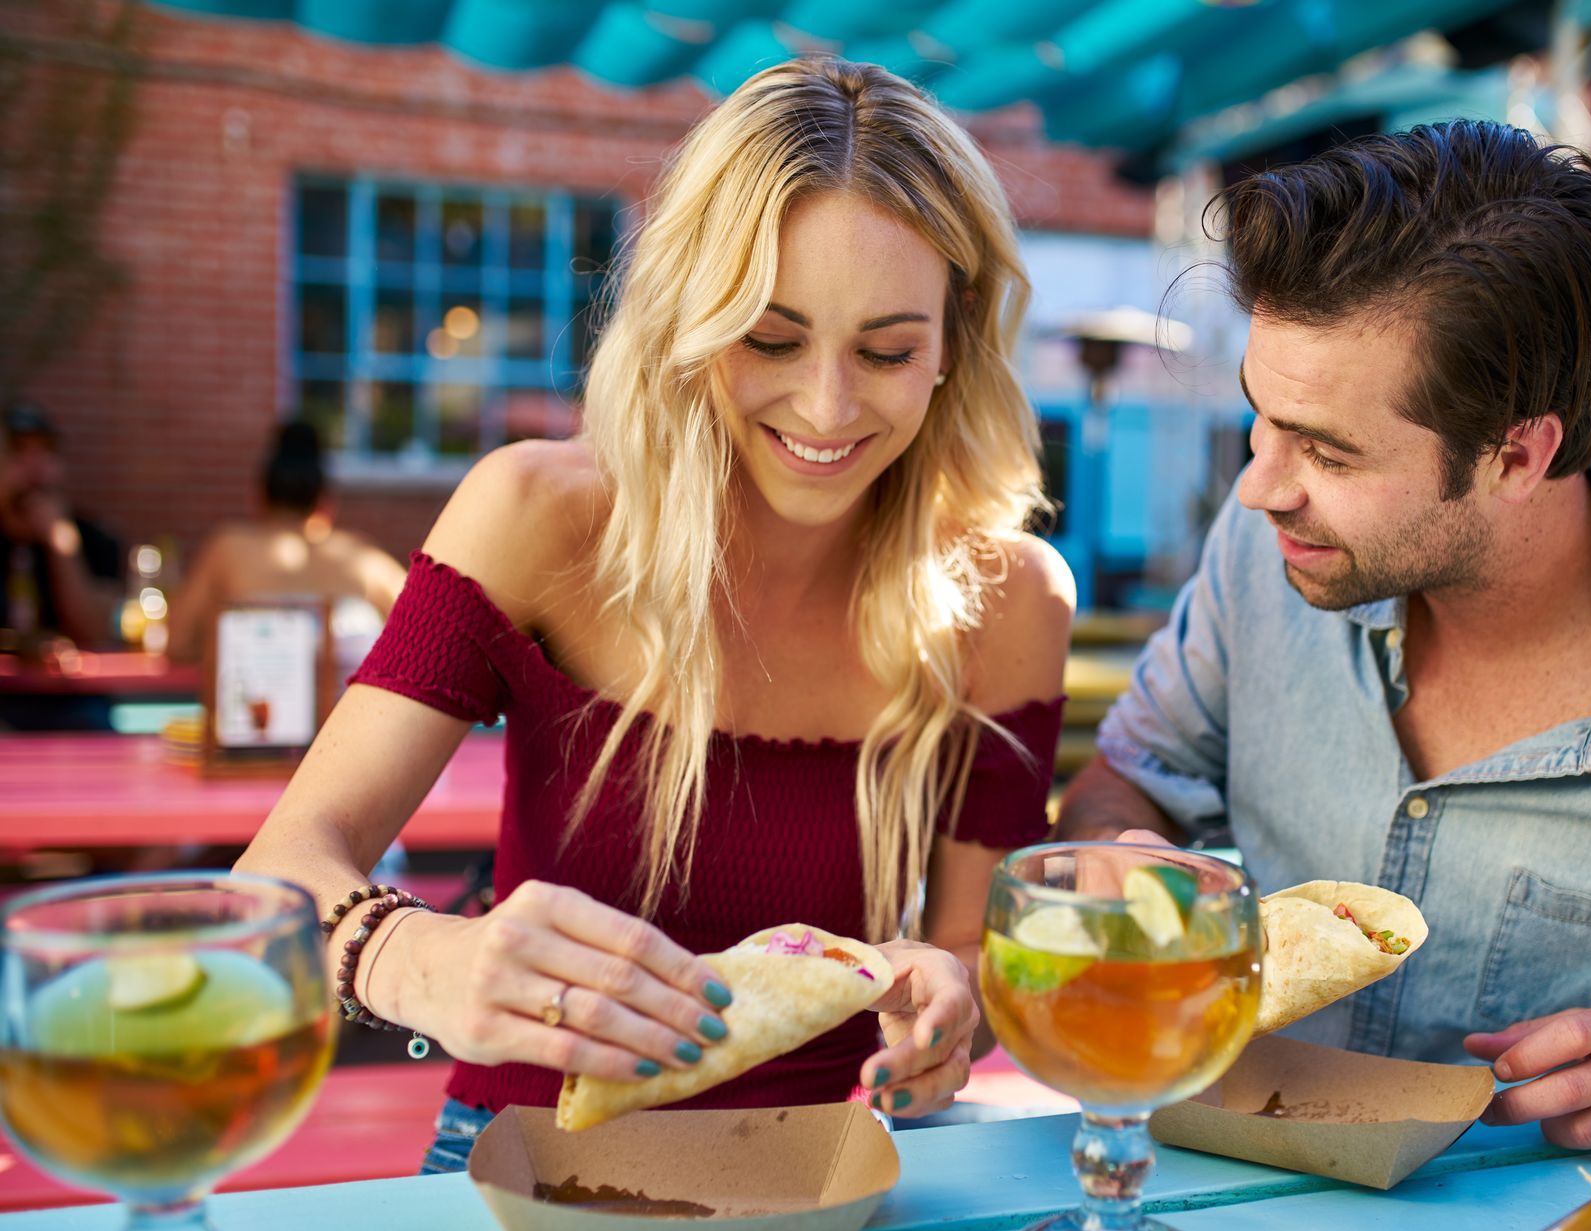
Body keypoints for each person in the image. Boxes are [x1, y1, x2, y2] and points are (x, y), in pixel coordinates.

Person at [235, 56, 1073, 1172]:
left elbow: (970, 952)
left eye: (885, 351)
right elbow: (278, 866)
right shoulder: (538, 513)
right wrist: (427, 960)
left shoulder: (1011, 597)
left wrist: (954, 1001)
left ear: (955, 337)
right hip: (527, 1160)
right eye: (769, 340)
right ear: (690, 310)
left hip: (833, 1182)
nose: (826, 408)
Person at [1055, 120, 1591, 1165]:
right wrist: (1121, 855)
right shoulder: (1264, 554)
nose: (1258, 486)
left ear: (1518, 454)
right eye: (1262, 421)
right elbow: (1130, 775)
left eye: (1327, 450)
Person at [166, 419, 406, 665]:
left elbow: (177, 642)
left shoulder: (227, 548)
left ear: (256, 497)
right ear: (325, 503)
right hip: (347, 702)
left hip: (253, 702)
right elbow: (427, 626)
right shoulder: (362, 556)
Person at [0, 401, 121, 652]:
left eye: (45, 452)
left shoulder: (94, 539)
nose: (35, 468)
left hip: (72, 689)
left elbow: (97, 634)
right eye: (19, 452)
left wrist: (61, 546)